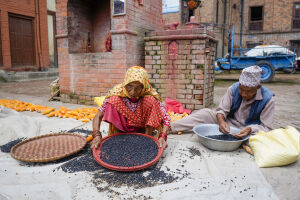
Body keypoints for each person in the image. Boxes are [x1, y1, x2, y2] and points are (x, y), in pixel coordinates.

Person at [170, 65, 275, 139]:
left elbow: (266, 127)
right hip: (228, 124)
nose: (243, 94)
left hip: (248, 130)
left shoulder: (268, 99)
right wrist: (221, 121)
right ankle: (170, 127)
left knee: (262, 139)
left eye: (248, 92)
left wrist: (249, 129)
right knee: (206, 113)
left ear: (257, 87)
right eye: (241, 90)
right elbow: (221, 110)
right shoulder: (233, 89)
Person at [90, 66, 170, 149]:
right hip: (121, 131)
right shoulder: (117, 93)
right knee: (114, 100)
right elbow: (98, 115)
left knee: (150, 101)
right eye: (129, 86)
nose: (133, 92)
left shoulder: (149, 94)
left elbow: (166, 119)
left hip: (143, 132)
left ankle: (147, 139)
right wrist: (96, 134)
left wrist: (163, 136)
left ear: (144, 86)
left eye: (138, 88)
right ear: (125, 83)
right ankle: (118, 137)